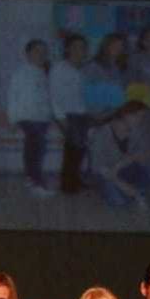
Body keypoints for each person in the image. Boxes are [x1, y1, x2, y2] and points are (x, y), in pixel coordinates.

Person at [6, 38, 54, 196]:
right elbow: (13, 97)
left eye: (44, 51)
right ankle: (37, 184)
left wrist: (49, 116)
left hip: (42, 119)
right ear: (28, 54)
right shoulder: (20, 73)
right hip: (28, 118)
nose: (41, 54)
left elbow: (46, 98)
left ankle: (30, 178)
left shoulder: (42, 72)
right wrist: (12, 120)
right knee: (37, 150)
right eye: (37, 51)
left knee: (33, 149)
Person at [49, 33, 91, 194]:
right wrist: (60, 118)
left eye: (82, 47)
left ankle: (75, 181)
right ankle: (68, 186)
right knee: (72, 152)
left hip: (82, 115)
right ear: (67, 48)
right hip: (68, 116)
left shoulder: (81, 70)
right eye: (75, 46)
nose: (79, 50)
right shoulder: (60, 68)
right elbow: (54, 95)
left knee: (79, 151)